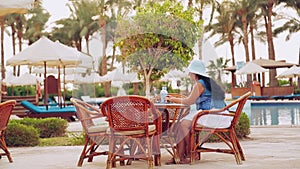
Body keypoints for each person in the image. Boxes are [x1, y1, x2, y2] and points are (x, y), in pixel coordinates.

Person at [165, 59, 231, 164]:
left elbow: (188, 101)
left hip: (215, 115)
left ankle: (191, 153)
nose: (189, 74)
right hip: (218, 113)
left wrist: (172, 99)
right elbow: (191, 99)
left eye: (190, 72)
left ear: (195, 73)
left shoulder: (200, 84)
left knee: (183, 124)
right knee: (181, 123)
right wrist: (176, 98)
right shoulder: (206, 82)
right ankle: (180, 154)